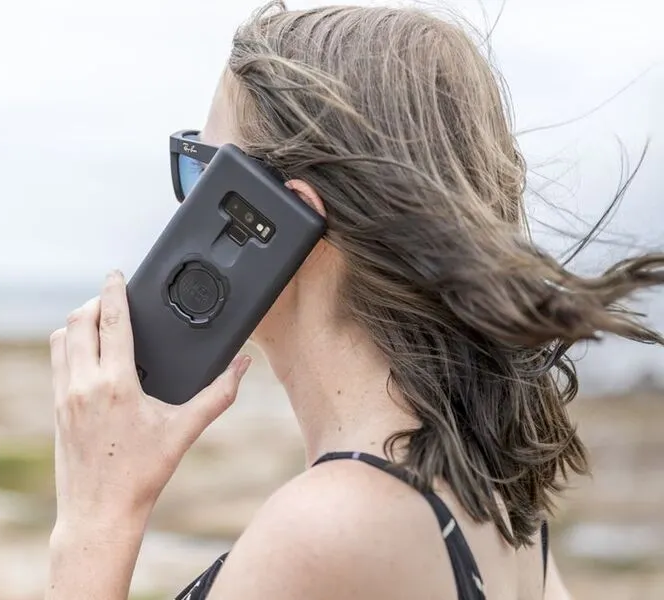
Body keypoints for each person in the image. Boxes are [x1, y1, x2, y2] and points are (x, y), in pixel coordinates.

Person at [44, 3, 664, 599]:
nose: (185, 201)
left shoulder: (328, 530)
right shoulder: (493, 489)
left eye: (202, 171)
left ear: (284, 217)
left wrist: (97, 515)